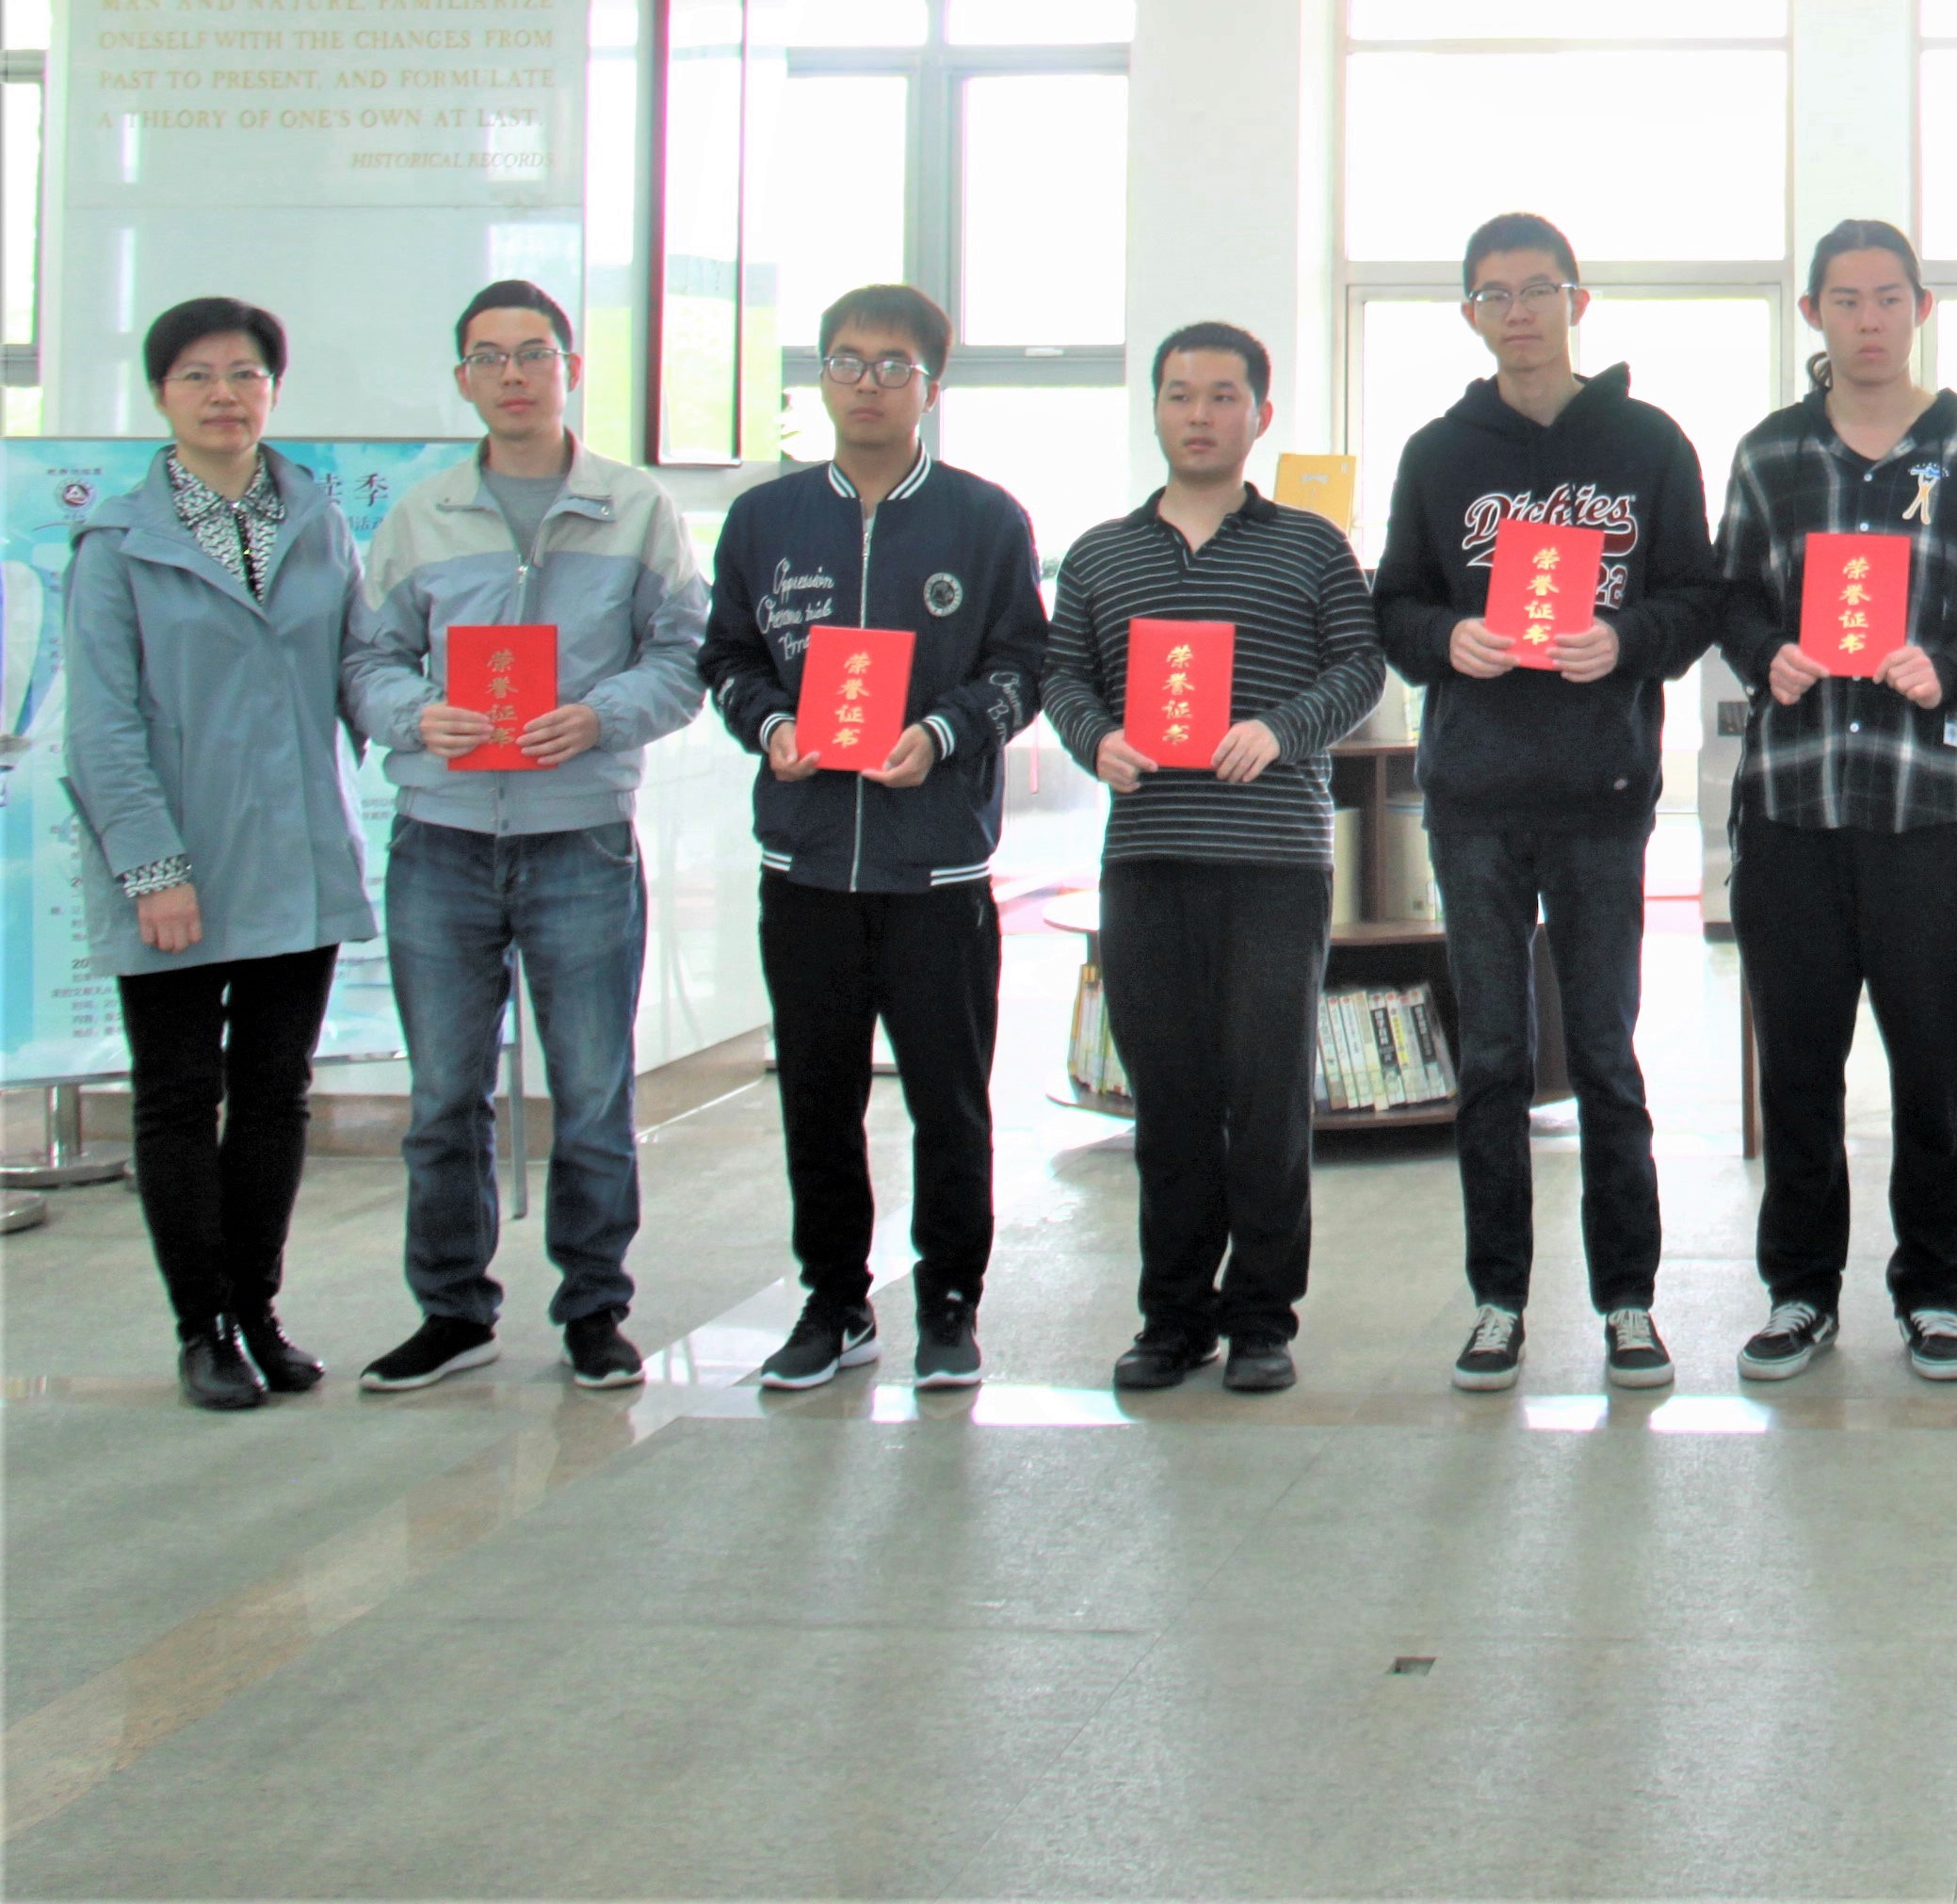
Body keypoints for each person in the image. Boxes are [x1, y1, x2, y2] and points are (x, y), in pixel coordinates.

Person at [1368, 212, 1721, 1397]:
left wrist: (1622, 640)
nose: (1518, 312)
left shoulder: (1648, 443)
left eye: (1538, 289)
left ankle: (1628, 1300)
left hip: (1601, 794)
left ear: (1579, 300)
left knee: (1607, 1054)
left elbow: (1695, 599)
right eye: (1494, 294)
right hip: (1473, 797)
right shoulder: (1437, 454)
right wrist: (1447, 639)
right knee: (1493, 1058)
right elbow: (1394, 606)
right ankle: (1497, 1300)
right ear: (1470, 313)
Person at [337, 281, 709, 1396]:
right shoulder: (422, 516)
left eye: (534, 353)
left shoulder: (634, 508)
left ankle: (595, 1309)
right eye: (490, 357)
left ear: (571, 370)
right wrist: (418, 717)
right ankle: (452, 1311)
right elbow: (367, 662)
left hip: (580, 837)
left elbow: (684, 655)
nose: (513, 374)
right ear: (463, 378)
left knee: (592, 1094)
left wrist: (601, 715)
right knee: (443, 1097)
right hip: (441, 841)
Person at [697, 284, 1050, 1395]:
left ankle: (949, 1303)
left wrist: (942, 734)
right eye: (847, 362)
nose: (867, 384)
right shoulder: (765, 520)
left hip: (936, 867)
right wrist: (770, 725)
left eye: (894, 366)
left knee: (948, 1099)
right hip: (805, 863)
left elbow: (1024, 667)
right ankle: (834, 1304)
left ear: (931, 387)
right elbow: (726, 655)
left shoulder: (985, 519)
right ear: (822, 378)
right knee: (817, 1096)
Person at [1710, 218, 1957, 1383]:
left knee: (1932, 1070)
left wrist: (1951, 669)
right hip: (1792, 809)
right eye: (1845, 301)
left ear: (1921, 308)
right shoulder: (1770, 454)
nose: (1868, 321)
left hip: (1927, 813)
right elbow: (1728, 595)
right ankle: (1800, 1293)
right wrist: (1766, 655)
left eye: (1888, 298)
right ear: (1812, 314)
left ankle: (1934, 1294)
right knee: (1799, 1070)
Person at [1043, 325, 1384, 1396]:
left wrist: (1282, 730)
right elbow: (1062, 675)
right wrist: (1095, 737)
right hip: (1148, 855)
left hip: (1275, 858)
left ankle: (1263, 1319)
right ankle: (1173, 1317)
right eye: (1181, 394)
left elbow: (1361, 666)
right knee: (1172, 1098)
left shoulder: (1312, 547)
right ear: (1155, 409)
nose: (1200, 414)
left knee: (1268, 1095)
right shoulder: (1100, 554)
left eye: (1223, 396)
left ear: (1260, 416)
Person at [63, 299, 376, 1412]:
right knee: (177, 1097)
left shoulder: (321, 523)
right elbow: (101, 728)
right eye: (196, 375)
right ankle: (201, 1328)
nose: (223, 395)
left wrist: (438, 726)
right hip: (178, 874)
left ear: (273, 392)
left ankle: (259, 1313)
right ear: (160, 395)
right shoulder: (116, 544)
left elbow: (358, 671)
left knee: (276, 1095)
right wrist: (154, 872)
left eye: (245, 374)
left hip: (297, 858)